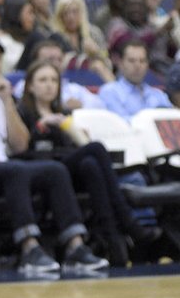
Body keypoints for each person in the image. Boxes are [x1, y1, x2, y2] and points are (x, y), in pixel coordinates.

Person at [0, 33, 108, 277]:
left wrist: (6, 101)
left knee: (54, 170)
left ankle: (75, 246)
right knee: (14, 170)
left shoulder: (0, 93)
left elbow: (20, 145)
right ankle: (29, 249)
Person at [18, 58, 147, 268]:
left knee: (91, 165)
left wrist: (72, 130)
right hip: (41, 170)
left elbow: (80, 146)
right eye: (42, 80)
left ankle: (114, 243)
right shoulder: (22, 112)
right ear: (30, 86)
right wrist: (41, 125)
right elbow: (22, 148)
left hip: (67, 170)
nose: (49, 85)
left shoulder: (64, 113)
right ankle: (127, 220)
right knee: (96, 149)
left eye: (53, 80)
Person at [98, 38, 171, 119]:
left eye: (142, 61)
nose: (137, 66)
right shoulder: (110, 92)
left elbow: (173, 120)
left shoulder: (158, 95)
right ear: (121, 63)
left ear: (147, 65)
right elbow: (121, 124)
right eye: (131, 61)